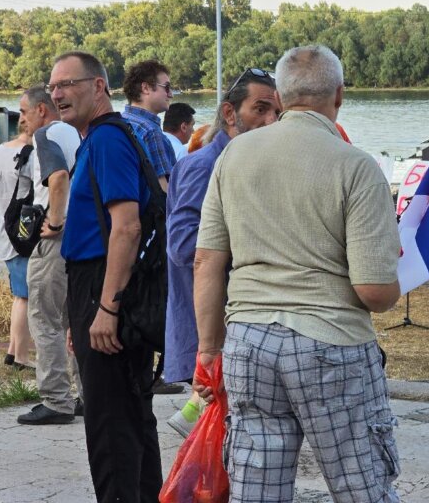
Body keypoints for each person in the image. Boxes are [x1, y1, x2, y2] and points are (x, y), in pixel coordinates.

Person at [194, 46, 403, 502]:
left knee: (258, 487)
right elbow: (374, 291)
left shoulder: (232, 157)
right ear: (340, 96)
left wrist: (209, 349)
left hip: (249, 341)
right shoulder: (356, 166)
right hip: (330, 341)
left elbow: (207, 260)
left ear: (282, 98)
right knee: (360, 480)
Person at [50, 51, 161, 501]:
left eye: (67, 84)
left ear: (99, 87)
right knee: (129, 417)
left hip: (105, 286)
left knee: (112, 426)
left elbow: (127, 226)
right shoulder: (98, 138)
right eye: (53, 86)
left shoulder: (109, 139)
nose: (57, 94)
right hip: (94, 287)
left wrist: (106, 308)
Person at [163, 69, 279, 438]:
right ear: (230, 114)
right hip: (214, 332)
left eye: (278, 112)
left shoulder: (257, 163)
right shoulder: (204, 166)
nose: (271, 121)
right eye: (260, 109)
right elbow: (182, 246)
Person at [15, 85, 84, 425]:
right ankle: (87, 394)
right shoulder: (74, 132)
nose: (22, 120)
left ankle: (56, 399)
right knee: (75, 317)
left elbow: (57, 178)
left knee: (45, 316)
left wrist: (54, 221)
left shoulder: (46, 134)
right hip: (82, 237)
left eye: (24, 112)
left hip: (57, 237)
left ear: (42, 109)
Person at [0, 107, 37, 371]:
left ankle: (11, 350)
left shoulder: (0, 151)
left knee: (20, 293)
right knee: (24, 297)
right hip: (21, 234)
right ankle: (21, 356)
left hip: (3, 229)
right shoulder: (28, 155)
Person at [121, 59, 174, 193]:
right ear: (145, 88)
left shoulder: (121, 121)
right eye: (166, 87)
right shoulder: (150, 131)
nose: (171, 94)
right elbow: (164, 191)